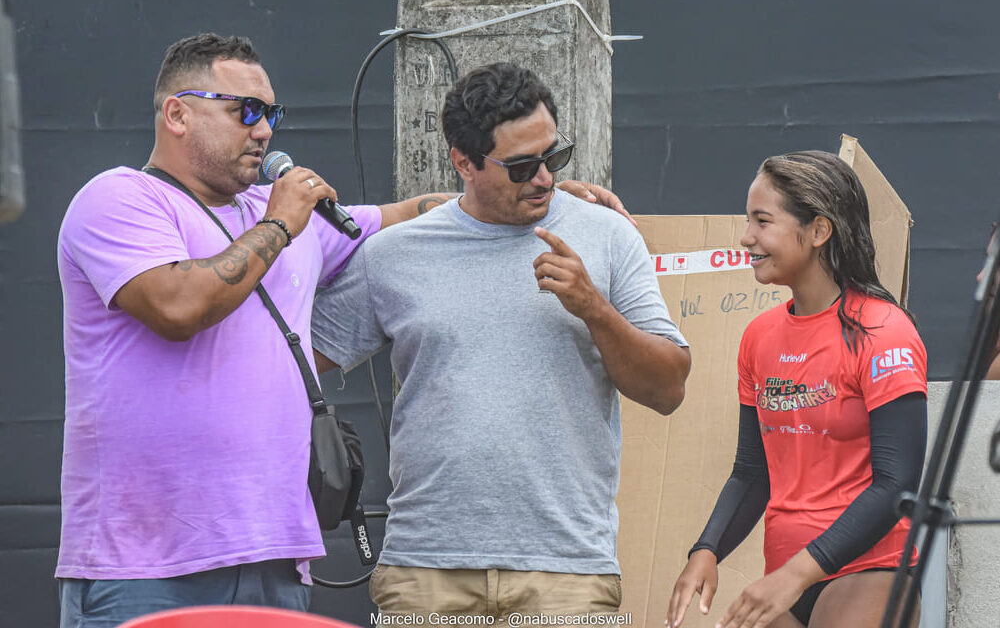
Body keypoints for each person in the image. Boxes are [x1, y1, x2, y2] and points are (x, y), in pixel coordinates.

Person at [56, 35, 625, 628]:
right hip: (145, 563)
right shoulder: (120, 199)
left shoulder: (291, 221)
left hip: (275, 556)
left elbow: (422, 212)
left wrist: (543, 193)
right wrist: (280, 220)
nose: (263, 131)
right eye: (244, 111)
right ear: (178, 113)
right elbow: (177, 306)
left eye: (271, 114)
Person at [311, 61, 692, 624]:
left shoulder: (608, 235)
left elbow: (668, 388)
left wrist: (594, 309)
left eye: (553, 157)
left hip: (567, 571)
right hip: (426, 569)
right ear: (462, 162)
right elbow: (287, 366)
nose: (543, 178)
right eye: (520, 166)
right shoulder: (395, 254)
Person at [666, 151, 927, 628]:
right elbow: (752, 471)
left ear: (818, 231)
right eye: (749, 221)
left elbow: (897, 484)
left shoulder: (885, 331)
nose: (747, 238)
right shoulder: (759, 337)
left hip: (868, 571)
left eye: (762, 221)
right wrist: (706, 550)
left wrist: (798, 574)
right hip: (785, 576)